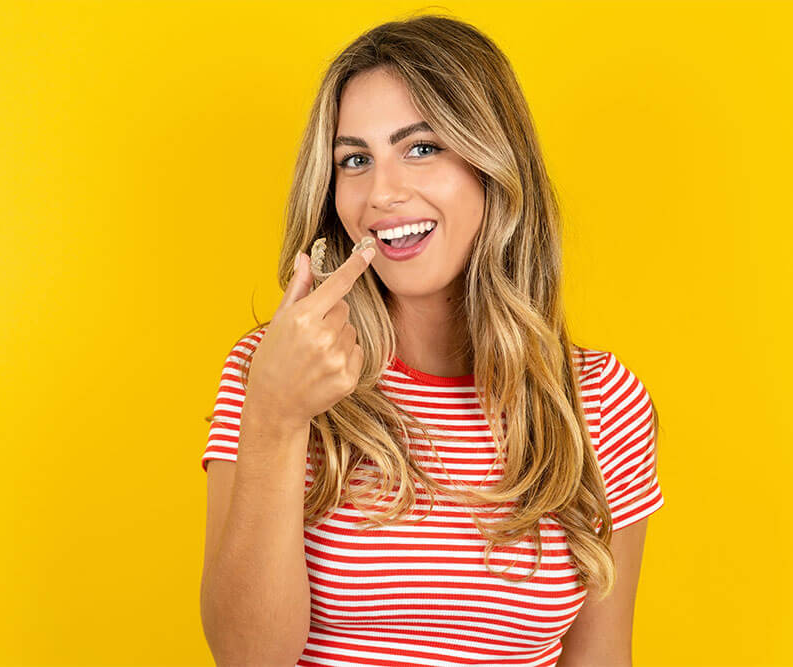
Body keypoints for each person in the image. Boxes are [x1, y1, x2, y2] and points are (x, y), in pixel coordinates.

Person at [200, 13, 665, 667]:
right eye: (354, 160)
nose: (383, 192)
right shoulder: (275, 370)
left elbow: (602, 655)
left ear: (493, 164)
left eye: (421, 147)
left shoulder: (602, 402)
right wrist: (277, 419)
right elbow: (246, 657)